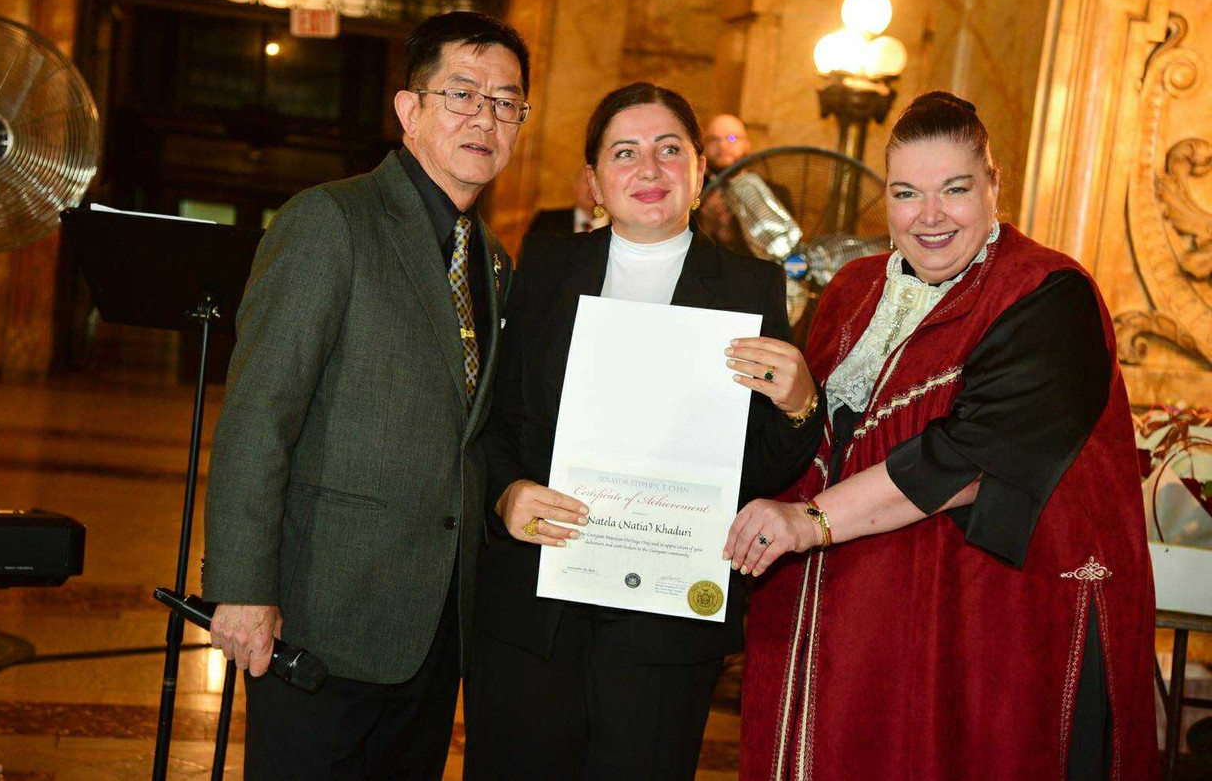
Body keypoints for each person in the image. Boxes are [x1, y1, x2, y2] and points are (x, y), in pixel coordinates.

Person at [736, 91, 1157, 780]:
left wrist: (808, 521)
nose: (929, 216)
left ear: (994, 186)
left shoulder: (1048, 293)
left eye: (954, 189)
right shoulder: (851, 287)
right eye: (906, 193)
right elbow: (827, 438)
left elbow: (965, 461)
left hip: (985, 623)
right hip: (854, 617)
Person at [200, 11, 529, 780]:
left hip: (434, 629)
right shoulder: (330, 221)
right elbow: (259, 414)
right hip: (323, 613)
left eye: (506, 101)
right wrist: (243, 590)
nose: (485, 116)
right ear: (409, 110)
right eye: (462, 93)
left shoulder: (492, 260)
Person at [464, 82, 825, 781]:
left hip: (666, 615)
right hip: (535, 603)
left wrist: (800, 403)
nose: (650, 170)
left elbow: (762, 466)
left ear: (699, 172)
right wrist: (506, 495)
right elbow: (493, 418)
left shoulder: (751, 287)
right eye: (625, 153)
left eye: (670, 150)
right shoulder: (540, 267)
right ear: (594, 180)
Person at [701, 114, 800, 260]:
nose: (722, 146)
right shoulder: (692, 193)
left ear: (747, 144)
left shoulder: (776, 193)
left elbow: (788, 253)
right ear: (703, 146)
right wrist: (706, 224)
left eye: (732, 139)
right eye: (714, 140)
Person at [524, 169, 610, 240]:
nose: (592, 189)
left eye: (599, 183)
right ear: (575, 185)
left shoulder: (618, 227)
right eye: (587, 181)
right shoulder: (546, 221)